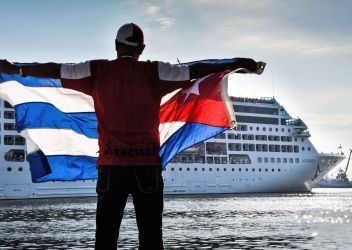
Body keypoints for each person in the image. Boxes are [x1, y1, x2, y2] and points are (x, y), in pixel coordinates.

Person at [0, 23, 265, 249]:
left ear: (116, 46)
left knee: (105, 238)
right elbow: (197, 69)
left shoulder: (96, 70)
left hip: (111, 168)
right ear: (141, 49)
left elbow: (53, 69)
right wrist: (239, 64)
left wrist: (17, 69)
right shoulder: (155, 71)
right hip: (147, 168)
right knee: (151, 238)